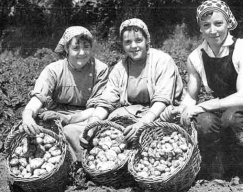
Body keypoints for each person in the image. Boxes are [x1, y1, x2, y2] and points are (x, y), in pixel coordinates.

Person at [161, 0, 243, 184]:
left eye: (218, 24)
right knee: (203, 121)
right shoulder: (195, 58)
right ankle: (219, 163)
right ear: (200, 29)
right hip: (222, 107)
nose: (213, 30)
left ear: (229, 23)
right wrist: (182, 109)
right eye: (206, 25)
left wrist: (203, 106)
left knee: (232, 117)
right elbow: (192, 95)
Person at [80, 18, 184, 147]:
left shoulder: (162, 61)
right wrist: (92, 124)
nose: (133, 46)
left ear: (147, 41)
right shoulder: (120, 68)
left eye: (139, 40)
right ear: (123, 45)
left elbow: (162, 101)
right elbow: (107, 101)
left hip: (160, 115)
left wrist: (142, 124)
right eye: (128, 42)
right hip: (131, 116)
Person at [19, 26, 109, 161]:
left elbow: (98, 107)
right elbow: (38, 97)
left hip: (86, 117)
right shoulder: (54, 70)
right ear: (66, 49)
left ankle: (78, 166)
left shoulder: (100, 69)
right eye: (76, 48)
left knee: (71, 132)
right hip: (56, 115)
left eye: (86, 47)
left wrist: (69, 119)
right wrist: (27, 115)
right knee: (29, 134)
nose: (82, 52)